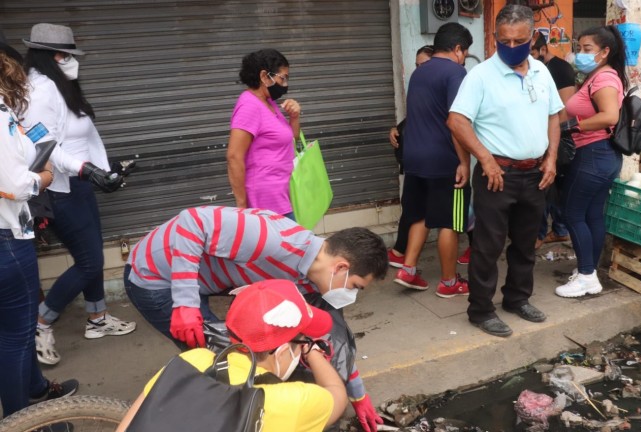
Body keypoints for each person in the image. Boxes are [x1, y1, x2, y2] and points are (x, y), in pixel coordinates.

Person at [124, 206, 388, 432]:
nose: (351, 295)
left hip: (200, 284)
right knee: (218, 367)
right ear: (340, 267)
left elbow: (333, 336)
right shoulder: (272, 238)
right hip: (155, 280)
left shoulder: (312, 281)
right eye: (354, 286)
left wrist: (358, 393)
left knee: (239, 363)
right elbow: (191, 222)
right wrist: (185, 302)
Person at [21, 23, 136, 366]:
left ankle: (97, 319)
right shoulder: (39, 91)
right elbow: (43, 146)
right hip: (60, 187)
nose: (70, 61)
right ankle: (41, 324)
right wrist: (87, 169)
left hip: (80, 184)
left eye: (71, 54)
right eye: (63, 55)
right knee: (89, 262)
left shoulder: (62, 85)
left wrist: (103, 168)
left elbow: (84, 137)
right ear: (45, 57)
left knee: (92, 256)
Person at [447, 4, 563, 337]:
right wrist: (483, 158)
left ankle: (516, 299)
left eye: (519, 41)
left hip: (536, 173)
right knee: (488, 245)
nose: (511, 47)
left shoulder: (542, 71)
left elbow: (554, 115)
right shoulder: (481, 75)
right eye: (504, 40)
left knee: (527, 243)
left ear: (532, 37)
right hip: (497, 175)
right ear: (496, 37)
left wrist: (552, 157)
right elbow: (456, 120)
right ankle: (481, 310)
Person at [117, 279, 347, 432]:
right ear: (283, 350)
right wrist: (313, 351)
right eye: (301, 341)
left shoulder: (190, 361)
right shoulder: (293, 401)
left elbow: (129, 425)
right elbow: (337, 396)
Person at [0, 31, 78, 418]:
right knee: (15, 336)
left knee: (11, 330)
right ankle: (24, 422)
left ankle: (35, 389)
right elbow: (14, 184)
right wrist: (44, 176)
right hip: (6, 241)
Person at [392, 23, 473, 298]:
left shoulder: (419, 72)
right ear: (459, 49)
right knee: (450, 221)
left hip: (414, 156)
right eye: (465, 51)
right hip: (443, 159)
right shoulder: (456, 72)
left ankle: (409, 270)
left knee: (420, 214)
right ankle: (450, 283)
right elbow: (456, 122)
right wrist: (464, 162)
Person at [554, 26, 627, 298]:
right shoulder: (598, 76)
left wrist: (572, 126)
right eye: (579, 48)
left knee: (573, 214)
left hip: (593, 155)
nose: (580, 54)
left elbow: (610, 116)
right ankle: (589, 271)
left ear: (605, 52)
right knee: (592, 214)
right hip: (602, 155)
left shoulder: (604, 79)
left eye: (587, 49)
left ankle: (586, 277)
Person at [227, 49, 301, 219]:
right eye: (283, 78)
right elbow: (234, 156)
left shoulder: (268, 103)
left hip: (282, 194)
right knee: (292, 244)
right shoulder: (249, 106)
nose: (285, 84)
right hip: (266, 201)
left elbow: (291, 139)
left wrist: (294, 117)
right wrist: (242, 208)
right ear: (264, 76)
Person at [387, 45, 435, 268]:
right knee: (413, 206)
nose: (418, 70)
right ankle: (403, 257)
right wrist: (397, 128)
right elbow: (415, 118)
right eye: (416, 66)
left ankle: (471, 251)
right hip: (418, 160)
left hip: (442, 163)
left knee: (457, 214)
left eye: (423, 65)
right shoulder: (418, 87)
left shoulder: (445, 85)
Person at [531, 33, 576, 249]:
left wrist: (552, 141)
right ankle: (558, 230)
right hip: (541, 135)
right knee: (553, 188)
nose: (528, 56)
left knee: (548, 187)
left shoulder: (560, 69)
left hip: (556, 135)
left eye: (532, 51)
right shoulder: (533, 68)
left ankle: (541, 234)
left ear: (542, 49)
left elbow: (564, 110)